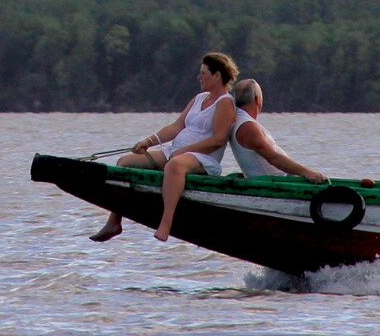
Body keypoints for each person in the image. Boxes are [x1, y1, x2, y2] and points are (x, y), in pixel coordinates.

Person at [90, 52, 239, 243]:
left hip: (203, 158)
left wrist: (184, 151)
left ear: (217, 75)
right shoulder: (200, 98)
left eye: (203, 73)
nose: (199, 77)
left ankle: (166, 223)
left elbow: (218, 140)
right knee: (124, 162)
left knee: (175, 165)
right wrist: (149, 141)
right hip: (175, 152)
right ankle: (114, 221)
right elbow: (177, 126)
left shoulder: (225, 103)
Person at [229, 79, 327, 183]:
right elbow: (273, 158)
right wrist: (308, 173)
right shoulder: (247, 126)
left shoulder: (241, 121)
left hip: (280, 180)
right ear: (257, 99)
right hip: (273, 183)